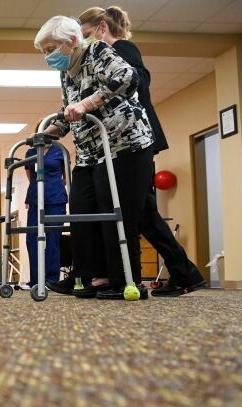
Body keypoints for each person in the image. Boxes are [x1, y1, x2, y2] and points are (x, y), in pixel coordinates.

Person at [78, 6, 206, 297]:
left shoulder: (122, 48)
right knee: (145, 212)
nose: (85, 42)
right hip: (128, 142)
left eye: (86, 35)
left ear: (100, 28)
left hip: (137, 140)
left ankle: (164, 274)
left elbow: (135, 82)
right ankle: (185, 273)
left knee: (138, 212)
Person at [35, 15, 152, 299]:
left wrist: (87, 103)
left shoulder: (97, 51)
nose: (48, 57)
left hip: (126, 145)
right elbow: (68, 113)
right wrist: (47, 133)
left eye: (51, 49)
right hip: (90, 152)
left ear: (72, 41)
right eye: (44, 52)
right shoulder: (67, 72)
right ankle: (94, 277)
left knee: (117, 214)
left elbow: (128, 77)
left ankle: (125, 280)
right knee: (82, 211)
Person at [23, 136, 67, 287]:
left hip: (56, 199)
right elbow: (30, 177)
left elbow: (66, 177)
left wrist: (51, 188)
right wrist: (34, 194)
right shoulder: (30, 152)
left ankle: (51, 280)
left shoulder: (60, 150)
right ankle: (36, 280)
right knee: (32, 239)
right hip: (35, 199)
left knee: (53, 239)